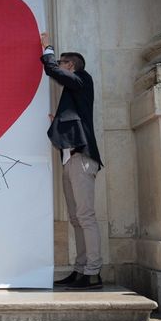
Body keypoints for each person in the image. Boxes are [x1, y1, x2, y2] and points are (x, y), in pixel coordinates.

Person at [40, 33, 104, 290]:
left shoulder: (82, 79)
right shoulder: (74, 91)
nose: (59, 65)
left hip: (81, 157)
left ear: (71, 65)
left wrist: (48, 50)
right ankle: (80, 270)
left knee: (85, 216)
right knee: (76, 218)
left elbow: (51, 70)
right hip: (70, 158)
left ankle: (93, 272)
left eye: (61, 62)